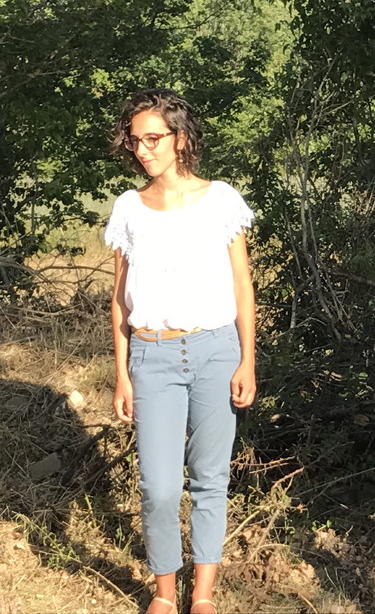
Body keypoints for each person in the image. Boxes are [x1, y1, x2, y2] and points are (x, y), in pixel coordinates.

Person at [105, 89, 256, 614]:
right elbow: (119, 299)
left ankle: (204, 595)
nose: (142, 149)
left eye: (153, 138)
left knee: (211, 478)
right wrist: (122, 375)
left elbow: (242, 286)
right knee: (161, 487)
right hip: (153, 356)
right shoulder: (129, 208)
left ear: (180, 138)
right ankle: (164, 596)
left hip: (217, 350)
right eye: (135, 140)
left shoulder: (221, 200)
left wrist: (247, 360)